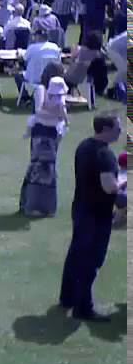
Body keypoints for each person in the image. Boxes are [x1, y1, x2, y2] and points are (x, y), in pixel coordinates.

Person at [59, 113, 124, 321]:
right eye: (117, 128)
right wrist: (124, 184)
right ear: (105, 129)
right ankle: (83, 308)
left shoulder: (84, 146)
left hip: (81, 208)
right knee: (91, 260)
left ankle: (67, 297)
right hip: (97, 215)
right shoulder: (105, 156)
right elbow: (108, 187)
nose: (120, 132)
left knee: (75, 255)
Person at [19, 77, 69, 218]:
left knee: (45, 169)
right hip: (44, 133)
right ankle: (34, 204)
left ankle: (39, 205)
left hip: (47, 134)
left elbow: (59, 115)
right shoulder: (45, 92)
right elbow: (41, 111)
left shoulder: (58, 99)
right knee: (39, 169)